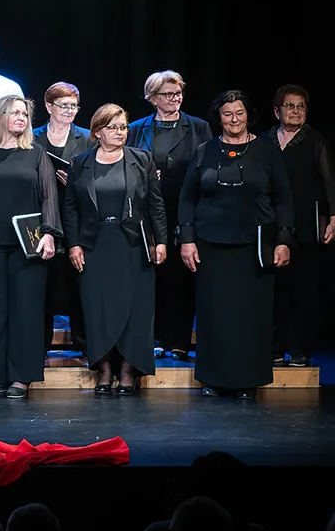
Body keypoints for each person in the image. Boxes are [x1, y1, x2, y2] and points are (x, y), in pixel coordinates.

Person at [178, 91, 293, 398]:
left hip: (254, 247)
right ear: (219, 118)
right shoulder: (204, 151)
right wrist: (187, 239)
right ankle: (213, 379)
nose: (234, 119)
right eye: (227, 114)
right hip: (211, 245)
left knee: (250, 316)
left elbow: (284, 198)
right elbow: (187, 198)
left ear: (248, 115)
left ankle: (247, 380)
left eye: (239, 113)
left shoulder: (267, 152)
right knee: (215, 314)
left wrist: (283, 240)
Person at [0, 96, 60, 399]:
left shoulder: (35, 153)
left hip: (28, 244)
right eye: (15, 112)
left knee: (26, 310)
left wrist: (49, 234)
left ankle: (21, 376)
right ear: (0, 115)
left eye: (25, 114)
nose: (21, 118)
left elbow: (49, 195)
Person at [62, 104, 166, 395]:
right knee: (98, 308)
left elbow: (155, 204)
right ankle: (104, 369)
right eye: (113, 127)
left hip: (132, 242)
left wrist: (160, 241)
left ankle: (129, 369)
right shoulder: (80, 163)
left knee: (136, 308)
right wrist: (73, 244)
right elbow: (70, 208)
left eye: (123, 127)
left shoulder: (141, 160)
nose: (120, 132)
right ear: (98, 132)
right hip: (95, 244)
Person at [127, 70, 212, 362]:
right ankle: (155, 337)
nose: (175, 98)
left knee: (182, 276)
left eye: (178, 93)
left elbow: (207, 168)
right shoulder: (137, 128)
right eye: (168, 94)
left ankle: (179, 340)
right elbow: (127, 163)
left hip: (184, 210)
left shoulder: (199, 127)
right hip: (148, 212)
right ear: (152, 99)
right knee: (153, 276)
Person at [260, 85, 335, 367]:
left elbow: (330, 181)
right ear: (276, 111)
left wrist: (334, 216)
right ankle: (273, 347)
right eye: (290, 106)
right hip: (272, 225)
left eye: (301, 106)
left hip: (306, 224)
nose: (295, 111)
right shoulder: (265, 140)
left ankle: (299, 348)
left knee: (303, 289)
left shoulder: (315, 141)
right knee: (276, 290)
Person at [34, 82, 92, 358]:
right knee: (42, 284)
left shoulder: (87, 138)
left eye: (74, 106)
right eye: (64, 105)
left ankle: (83, 342)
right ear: (49, 106)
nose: (70, 110)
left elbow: (98, 178)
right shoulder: (32, 137)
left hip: (75, 218)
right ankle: (40, 344)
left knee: (78, 281)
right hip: (41, 217)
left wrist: (76, 183)